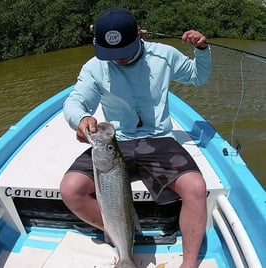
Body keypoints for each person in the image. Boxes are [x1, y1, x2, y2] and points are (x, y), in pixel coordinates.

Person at [60, 7, 212, 268]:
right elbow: (75, 102)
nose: (117, 60)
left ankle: (188, 264)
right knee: (70, 189)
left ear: (138, 36)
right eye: (111, 54)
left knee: (196, 188)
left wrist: (201, 50)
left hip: (159, 139)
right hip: (116, 141)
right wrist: (81, 119)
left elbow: (199, 77)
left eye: (123, 52)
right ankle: (123, 234)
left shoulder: (164, 55)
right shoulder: (95, 66)